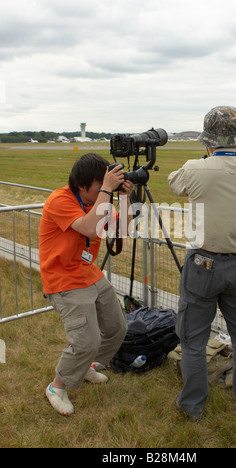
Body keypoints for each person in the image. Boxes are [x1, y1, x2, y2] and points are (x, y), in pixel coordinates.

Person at [168, 106, 236, 422]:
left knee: (194, 340)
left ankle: (192, 405)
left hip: (203, 263)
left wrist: (204, 160)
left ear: (207, 140)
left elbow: (174, 184)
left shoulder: (196, 168)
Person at [39, 153, 134, 416]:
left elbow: (123, 230)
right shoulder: (60, 200)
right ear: (82, 187)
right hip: (63, 279)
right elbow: (91, 229)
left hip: (88, 273)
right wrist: (106, 190)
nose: (108, 190)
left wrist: (124, 197)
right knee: (86, 340)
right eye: (101, 185)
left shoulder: (99, 199)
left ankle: (86, 368)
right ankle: (57, 387)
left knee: (117, 327)